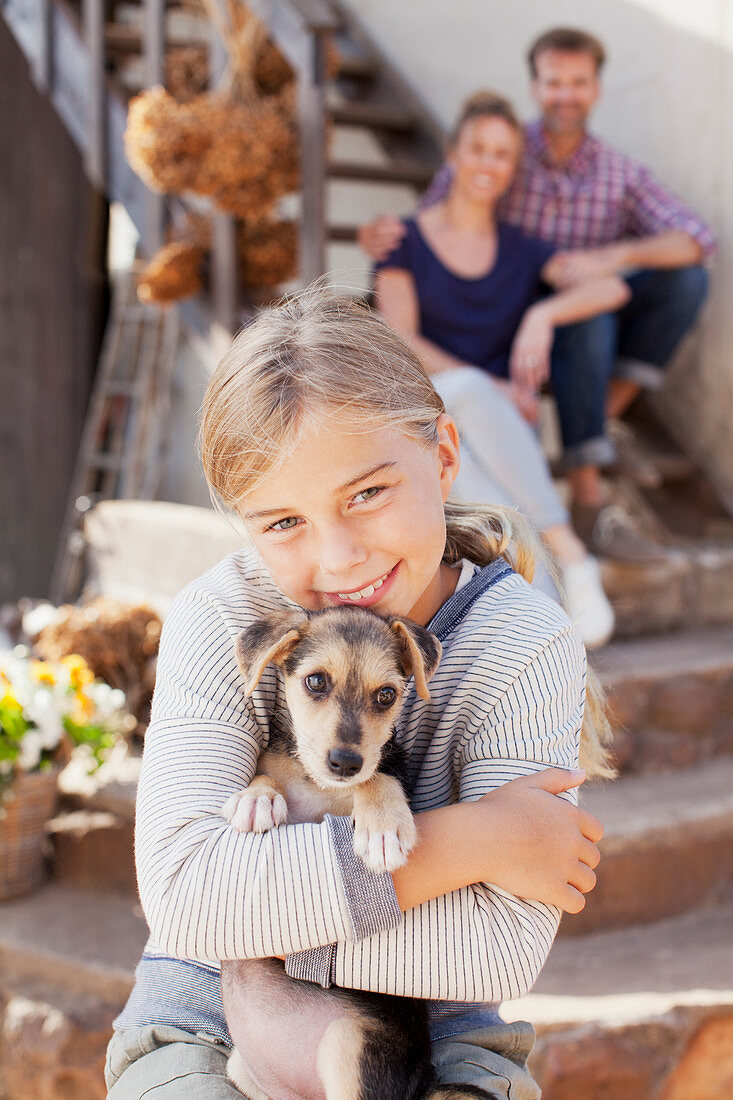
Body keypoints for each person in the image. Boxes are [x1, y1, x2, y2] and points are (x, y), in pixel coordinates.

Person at [105, 288, 608, 1100]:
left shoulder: (524, 642)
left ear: (443, 455)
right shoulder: (224, 613)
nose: (338, 559)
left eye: (367, 493)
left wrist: (254, 909)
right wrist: (479, 840)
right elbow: (185, 904)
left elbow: (497, 952)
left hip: (435, 1032)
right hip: (202, 1015)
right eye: (281, 523)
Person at [361, 26, 716, 563]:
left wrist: (614, 256)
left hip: (570, 312)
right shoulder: (502, 148)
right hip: (506, 320)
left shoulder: (618, 172)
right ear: (536, 86)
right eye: (554, 82)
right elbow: (438, 215)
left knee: (684, 281)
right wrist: (381, 238)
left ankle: (597, 431)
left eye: (578, 82)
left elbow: (697, 239)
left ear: (596, 89)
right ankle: (582, 504)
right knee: (581, 324)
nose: (565, 95)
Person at [374, 90, 628, 649]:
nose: (488, 163)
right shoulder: (404, 241)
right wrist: (493, 383)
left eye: (502, 154)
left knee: (461, 436)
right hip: (432, 423)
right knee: (451, 413)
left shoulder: (523, 250)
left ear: (513, 168)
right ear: (453, 154)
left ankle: (552, 601)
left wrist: (543, 312)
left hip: (505, 434)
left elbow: (611, 287)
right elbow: (401, 341)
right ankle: (570, 560)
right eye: (478, 149)